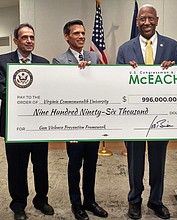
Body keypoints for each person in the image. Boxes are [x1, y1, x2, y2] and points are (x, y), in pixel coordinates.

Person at [116, 4, 177, 220]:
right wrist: (126, 73)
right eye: (142, 19)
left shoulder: (172, 45)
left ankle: (156, 201)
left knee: (158, 161)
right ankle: (134, 201)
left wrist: (172, 68)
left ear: (157, 20)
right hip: (134, 116)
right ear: (137, 22)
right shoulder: (125, 49)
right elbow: (115, 82)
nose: (146, 22)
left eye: (150, 18)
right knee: (135, 162)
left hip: (161, 115)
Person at [53, 20, 108, 220]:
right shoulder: (59, 60)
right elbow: (61, 91)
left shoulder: (94, 56)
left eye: (83, 33)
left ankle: (90, 201)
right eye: (76, 33)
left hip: (92, 121)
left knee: (92, 163)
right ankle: (76, 204)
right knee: (75, 164)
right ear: (67, 37)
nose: (81, 36)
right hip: (73, 123)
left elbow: (103, 83)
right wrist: (78, 72)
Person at [0, 23, 54, 220]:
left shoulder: (44, 63)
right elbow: (2, 90)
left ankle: (41, 199)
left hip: (38, 125)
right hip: (15, 126)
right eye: (25, 37)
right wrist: (29, 95)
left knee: (41, 165)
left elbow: (49, 91)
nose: (29, 41)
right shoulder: (3, 61)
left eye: (32, 37)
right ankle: (19, 204)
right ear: (16, 41)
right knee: (16, 167)